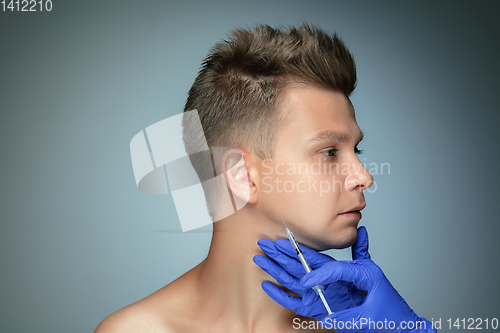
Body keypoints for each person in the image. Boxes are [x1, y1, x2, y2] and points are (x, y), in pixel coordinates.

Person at [95, 22, 433, 332]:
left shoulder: (359, 325)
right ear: (240, 175)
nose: (364, 177)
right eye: (330, 152)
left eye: (355, 151)